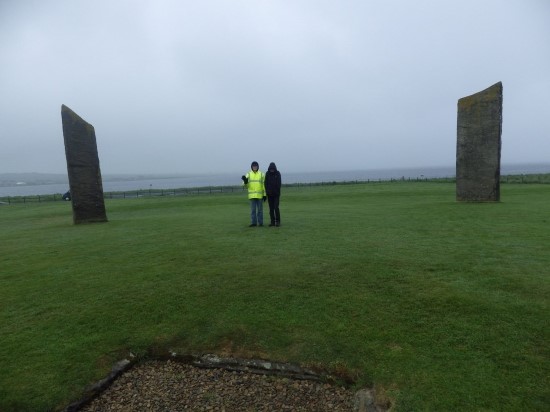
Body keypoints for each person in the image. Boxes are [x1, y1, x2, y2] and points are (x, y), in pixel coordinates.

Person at [241, 161, 266, 227]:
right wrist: (245, 182)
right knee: (253, 210)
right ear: (251, 167)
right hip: (252, 196)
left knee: (260, 211)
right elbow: (244, 185)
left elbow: (264, 185)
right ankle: (253, 223)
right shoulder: (248, 174)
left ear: (258, 166)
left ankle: (260, 223)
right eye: (253, 166)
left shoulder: (261, 174)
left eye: (256, 166)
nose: (255, 167)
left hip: (259, 195)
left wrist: (264, 195)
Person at [264, 162, 281, 227]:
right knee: (271, 209)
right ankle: (272, 222)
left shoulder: (278, 173)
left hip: (276, 194)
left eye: (273, 169)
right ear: (269, 168)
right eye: (271, 169)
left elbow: (279, 184)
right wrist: (268, 191)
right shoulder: (267, 174)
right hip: (269, 194)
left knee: (276, 208)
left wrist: (276, 191)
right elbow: (266, 183)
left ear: (275, 168)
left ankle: (278, 221)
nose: (272, 170)